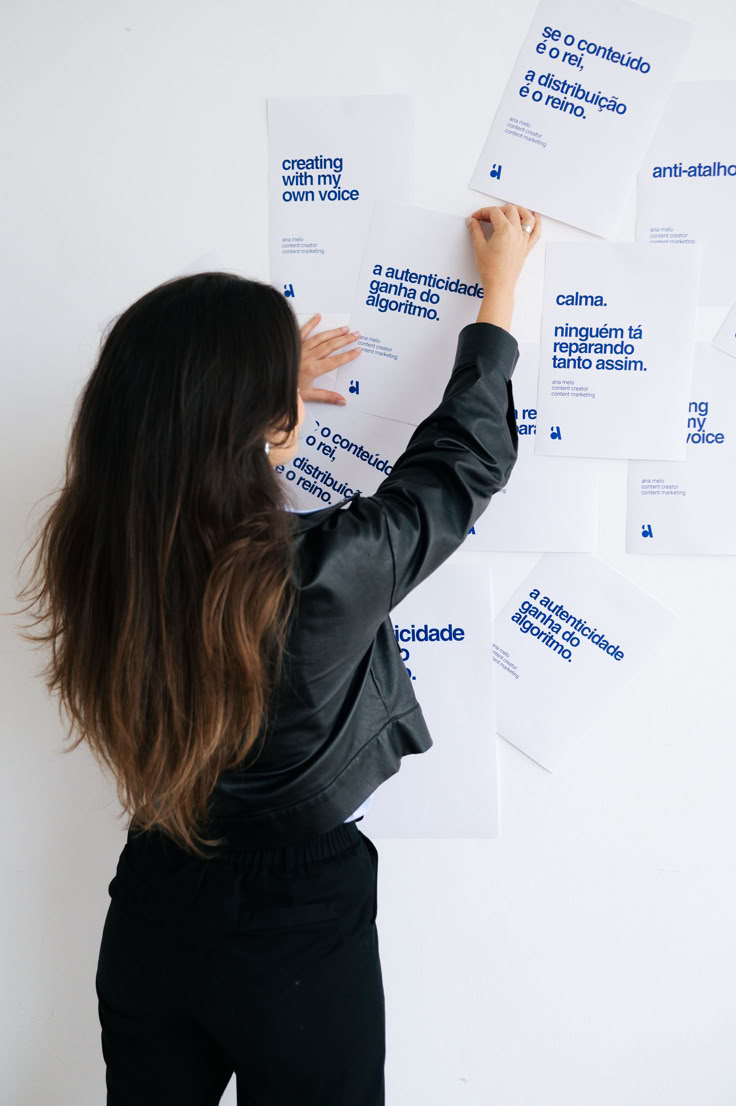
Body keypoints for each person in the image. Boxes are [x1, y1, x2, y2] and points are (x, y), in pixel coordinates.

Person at [17, 202, 541, 1105]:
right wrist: (499, 294)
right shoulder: (321, 576)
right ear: (263, 423)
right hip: (298, 922)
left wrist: (261, 392)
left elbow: (163, 442)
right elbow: (458, 468)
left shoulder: (91, 549)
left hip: (153, 902)